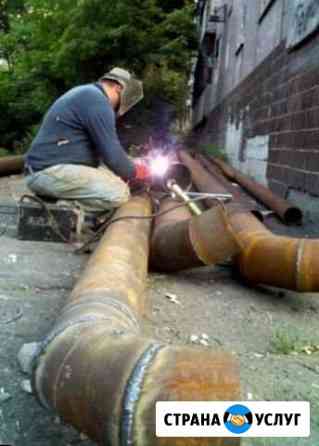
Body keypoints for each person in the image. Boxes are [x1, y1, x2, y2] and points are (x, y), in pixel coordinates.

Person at [24, 68, 151, 213]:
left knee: (112, 178)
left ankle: (53, 200)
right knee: (119, 193)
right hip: (48, 172)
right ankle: (62, 209)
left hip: (47, 170)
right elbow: (113, 155)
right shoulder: (97, 101)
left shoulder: (88, 94)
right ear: (119, 88)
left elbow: (105, 153)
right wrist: (136, 171)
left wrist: (128, 165)